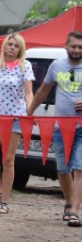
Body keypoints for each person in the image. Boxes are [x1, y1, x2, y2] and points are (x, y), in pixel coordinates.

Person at [28, 31, 82, 228]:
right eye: (74, 46)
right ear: (66, 46)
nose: (77, 50)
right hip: (61, 126)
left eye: (80, 47)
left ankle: (75, 211)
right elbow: (43, 89)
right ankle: (69, 203)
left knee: (79, 167)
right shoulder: (56, 65)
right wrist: (30, 110)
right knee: (62, 168)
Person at [0, 33, 34, 215]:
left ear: (20, 49)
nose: (11, 47)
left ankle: (4, 201)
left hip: (16, 118)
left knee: (8, 159)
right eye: (9, 44)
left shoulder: (24, 66)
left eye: (15, 45)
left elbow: (28, 93)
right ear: (4, 46)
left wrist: (30, 110)